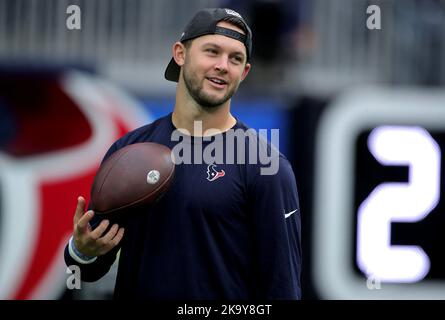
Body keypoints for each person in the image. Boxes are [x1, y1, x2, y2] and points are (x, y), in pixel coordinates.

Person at [64, 8, 301, 300]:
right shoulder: (130, 150)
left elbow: (283, 287)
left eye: (235, 58)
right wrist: (81, 250)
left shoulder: (266, 166)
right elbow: (88, 268)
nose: (223, 66)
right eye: (212, 51)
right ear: (180, 54)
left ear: (245, 73)